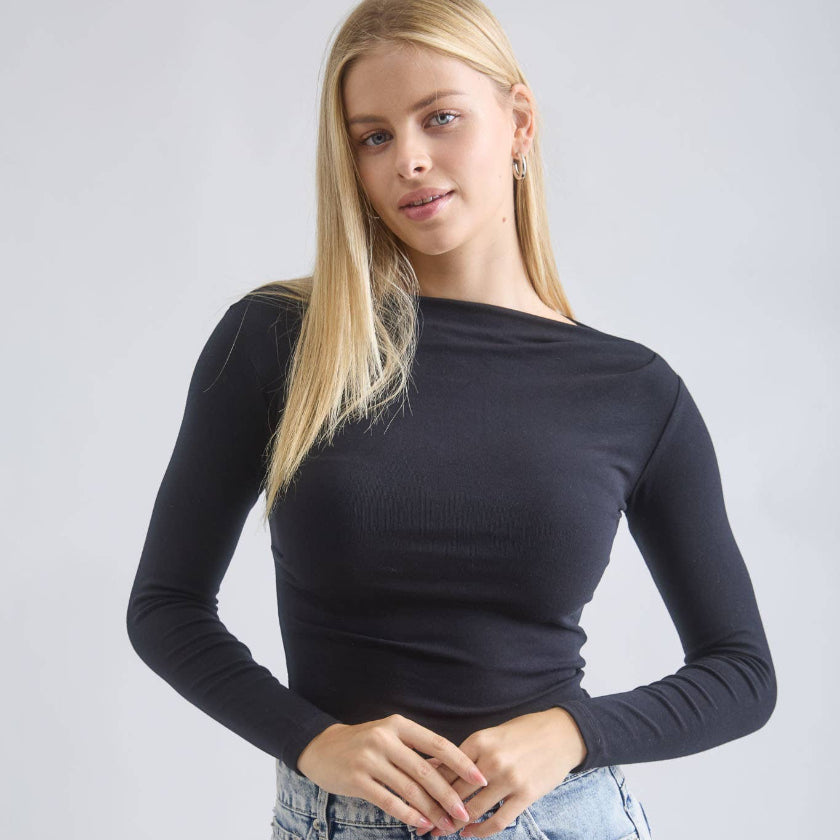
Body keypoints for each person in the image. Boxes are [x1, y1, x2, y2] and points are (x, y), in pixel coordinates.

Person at [126, 1, 777, 838]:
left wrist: (574, 733)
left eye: (440, 118)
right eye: (374, 137)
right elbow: (167, 604)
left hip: (564, 817)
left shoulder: (633, 390)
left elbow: (743, 673)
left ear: (519, 122)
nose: (411, 161)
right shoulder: (281, 340)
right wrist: (314, 740)